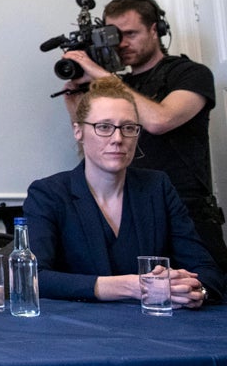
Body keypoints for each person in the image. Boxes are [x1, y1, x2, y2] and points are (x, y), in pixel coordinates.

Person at [60, 0, 224, 271]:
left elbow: (161, 120)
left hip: (187, 212)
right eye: (113, 36)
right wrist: (75, 99)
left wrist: (103, 76)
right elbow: (91, 138)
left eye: (130, 33)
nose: (121, 44)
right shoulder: (115, 84)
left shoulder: (190, 74)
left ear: (155, 29)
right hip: (131, 211)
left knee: (203, 298)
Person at [26, 75, 222, 305]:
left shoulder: (158, 187)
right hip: (78, 332)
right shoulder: (49, 193)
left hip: (158, 329)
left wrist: (192, 291)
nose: (118, 138)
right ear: (78, 131)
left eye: (128, 127)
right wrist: (130, 286)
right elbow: (33, 277)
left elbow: (207, 271)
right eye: (104, 127)